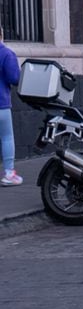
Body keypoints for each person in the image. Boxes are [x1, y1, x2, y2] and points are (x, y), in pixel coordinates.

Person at [0, 22, 20, 186]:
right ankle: (9, 174)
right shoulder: (7, 54)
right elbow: (14, 78)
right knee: (7, 138)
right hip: (2, 104)